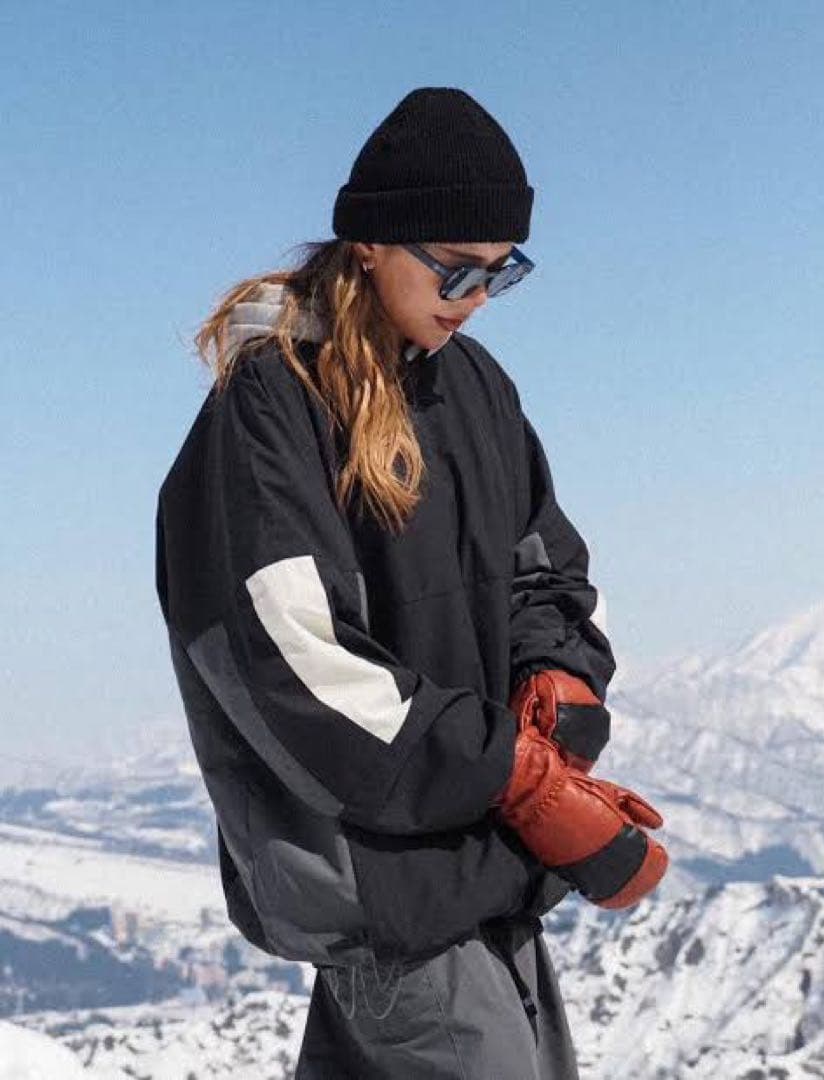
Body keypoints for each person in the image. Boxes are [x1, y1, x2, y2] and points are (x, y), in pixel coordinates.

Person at [155, 86, 668, 1080]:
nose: (477, 298)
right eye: (456, 267)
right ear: (371, 245)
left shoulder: (473, 388)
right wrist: (510, 772)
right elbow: (290, 657)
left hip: (483, 869)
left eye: (502, 271)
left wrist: (557, 689)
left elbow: (548, 571)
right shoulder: (271, 409)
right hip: (384, 895)